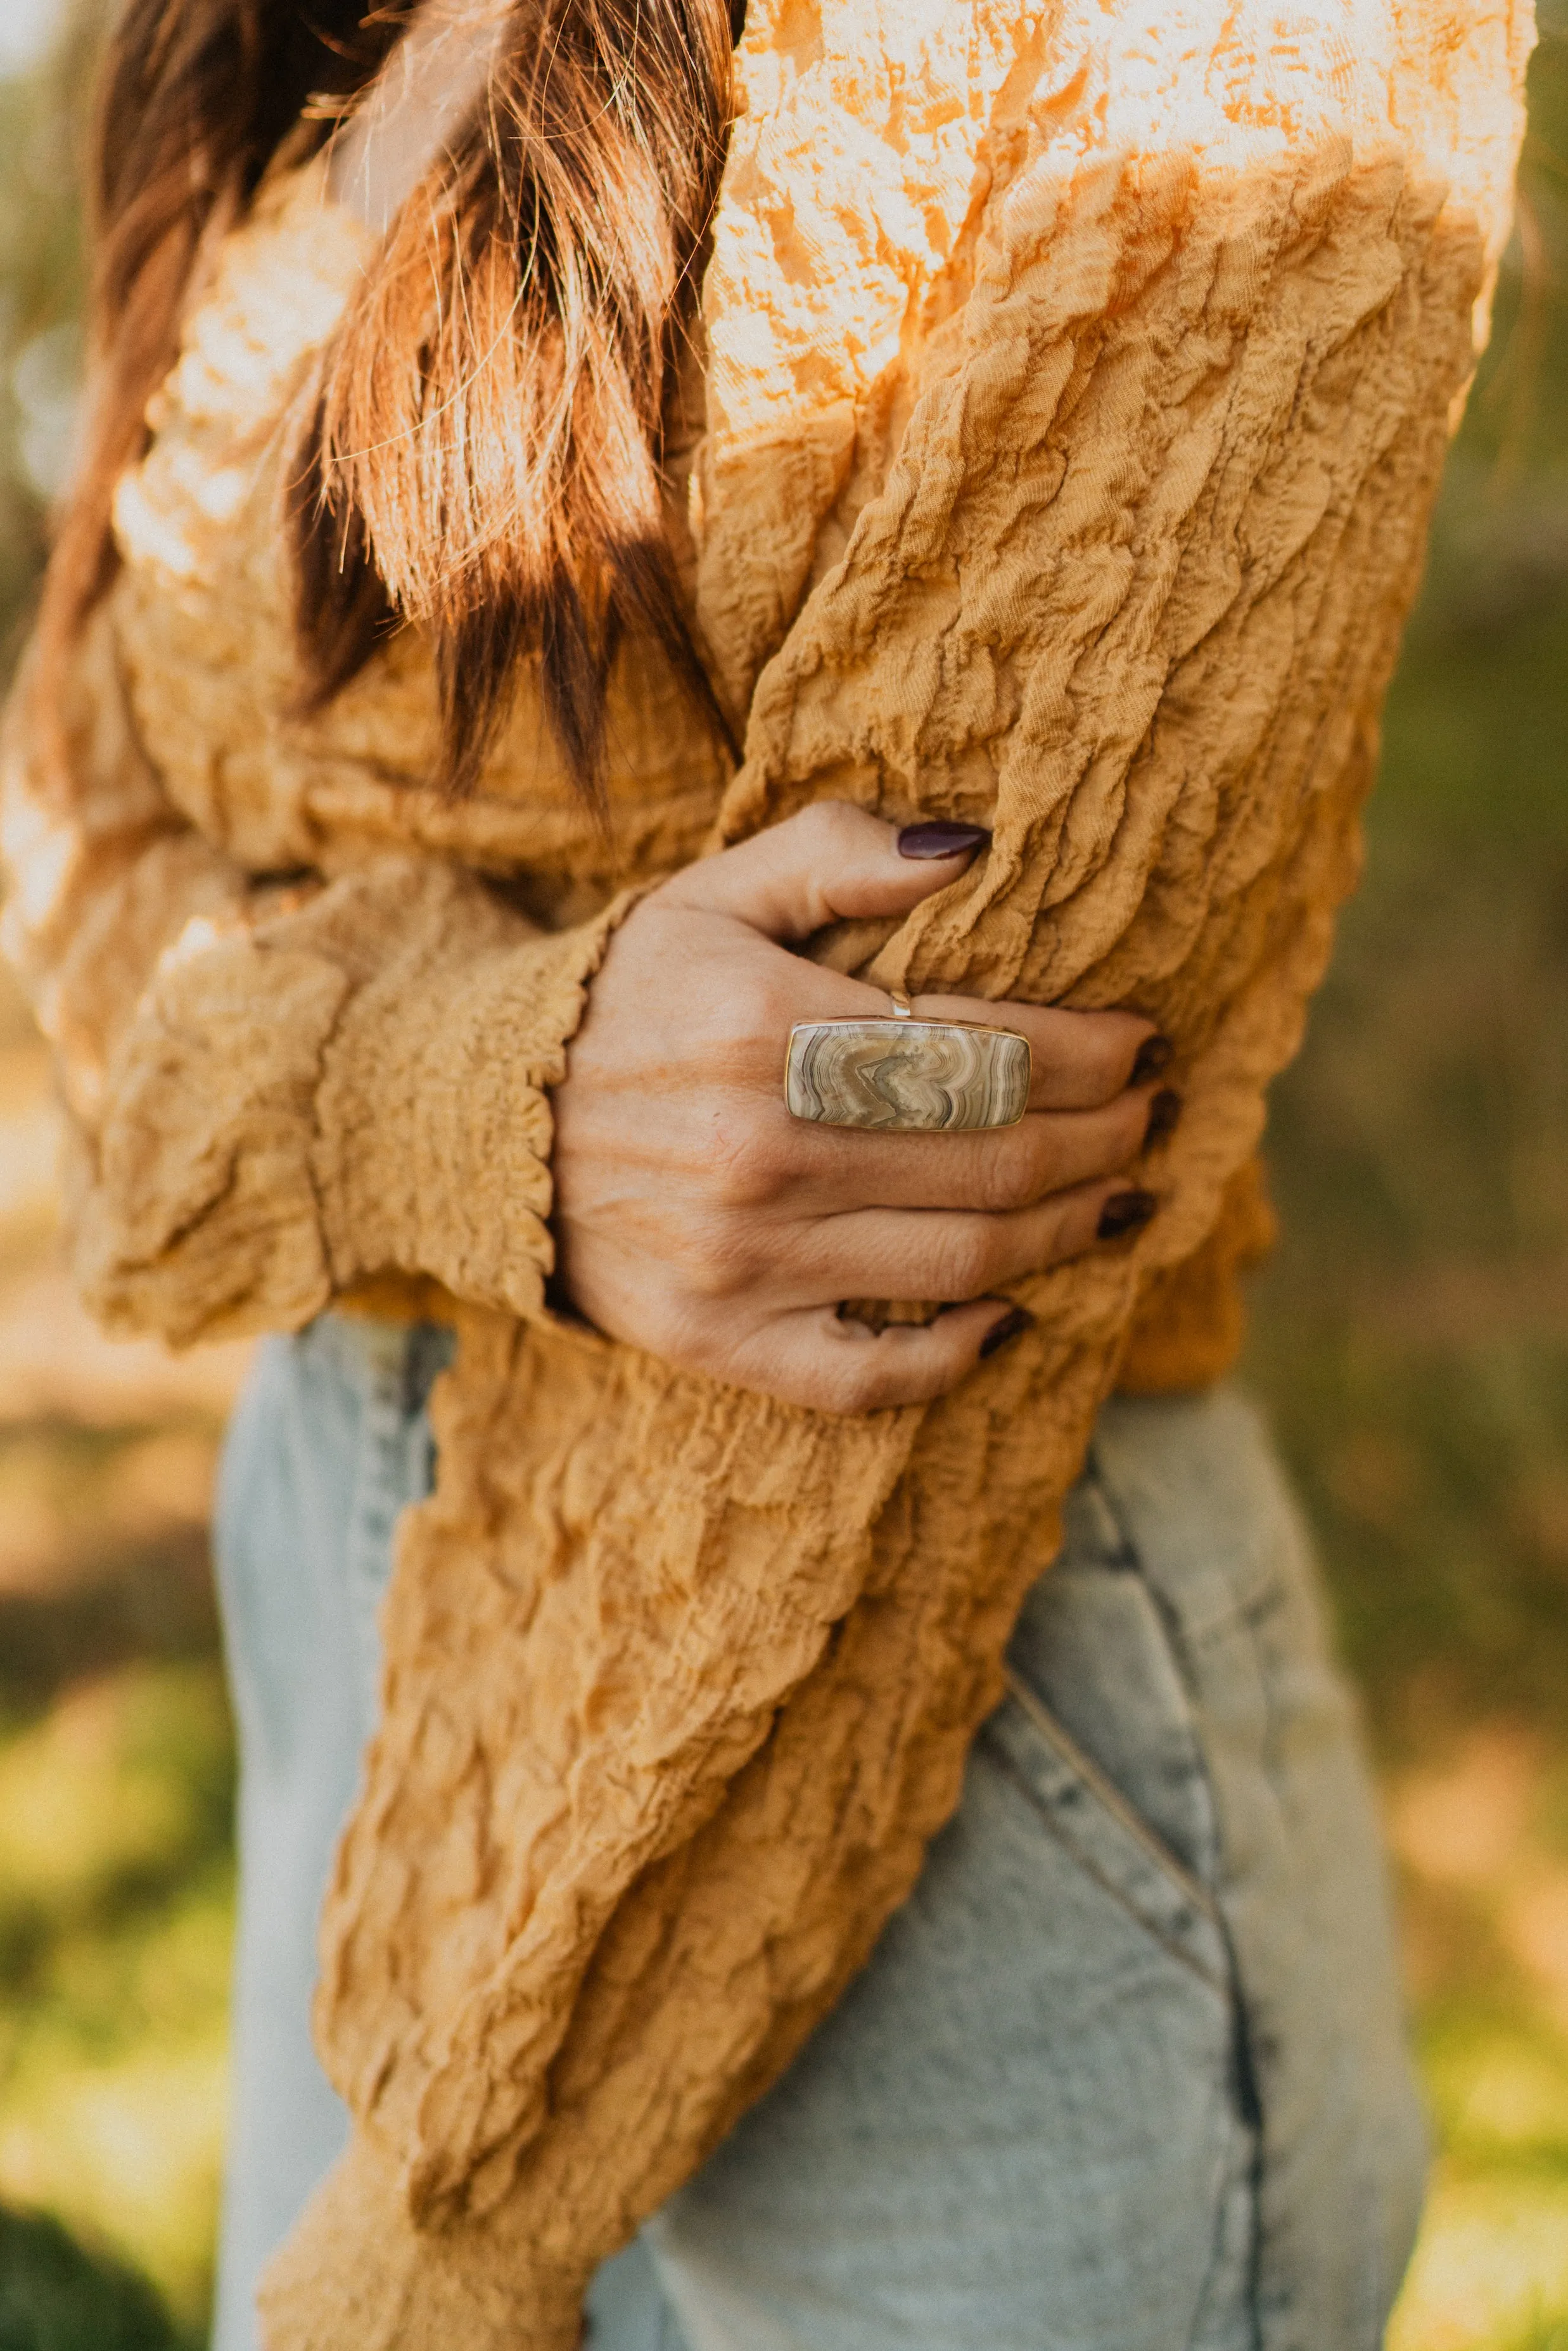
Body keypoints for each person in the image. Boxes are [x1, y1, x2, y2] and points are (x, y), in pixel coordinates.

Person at [1, 0, 1526, 2342]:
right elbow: (75, 833)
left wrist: (450, 2229)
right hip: (342, 1565)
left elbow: (914, 1081)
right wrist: (454, 1089)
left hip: (920, 1689)